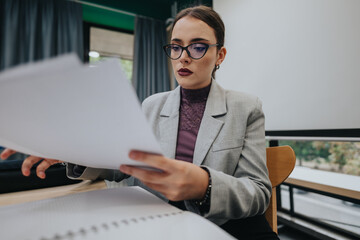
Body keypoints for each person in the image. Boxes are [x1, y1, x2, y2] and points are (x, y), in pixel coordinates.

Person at [0, 5, 279, 240]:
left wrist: (204, 184)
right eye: (176, 47)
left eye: (197, 47)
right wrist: (74, 150)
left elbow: (258, 192)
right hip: (154, 223)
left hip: (217, 226)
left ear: (220, 55)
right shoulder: (152, 105)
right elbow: (123, 166)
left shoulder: (246, 107)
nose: (183, 57)